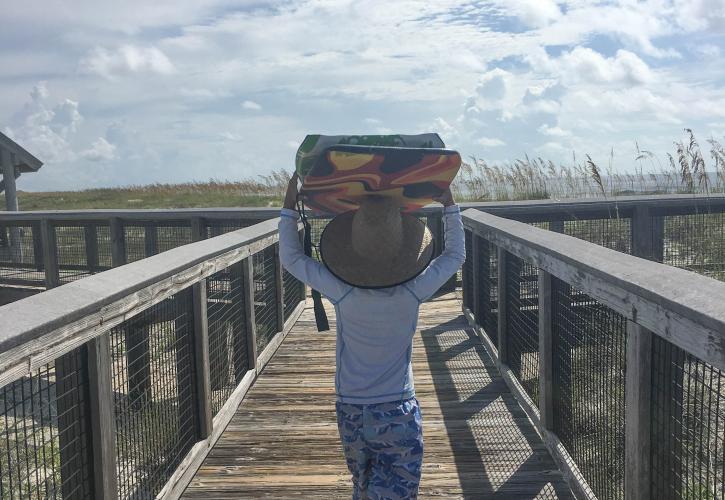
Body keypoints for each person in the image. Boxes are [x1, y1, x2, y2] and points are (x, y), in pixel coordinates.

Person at [278, 172, 465, 499]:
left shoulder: (343, 292)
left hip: (351, 410)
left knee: (362, 487)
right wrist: (449, 204)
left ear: (353, 245)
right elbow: (454, 257)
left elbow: (292, 258)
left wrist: (289, 205)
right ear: (403, 247)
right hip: (397, 410)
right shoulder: (412, 292)